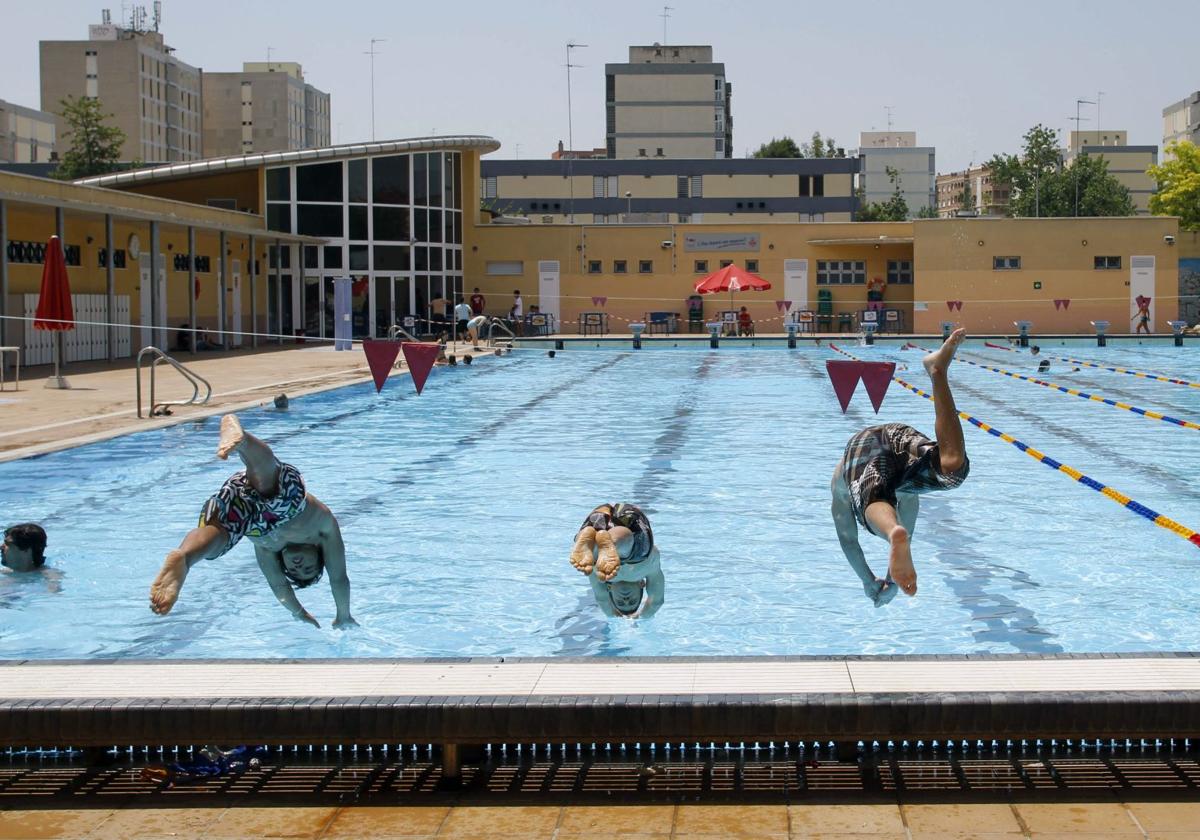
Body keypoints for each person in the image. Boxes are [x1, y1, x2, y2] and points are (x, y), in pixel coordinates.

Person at [149, 415, 355, 628]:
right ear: (318, 553)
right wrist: (343, 615)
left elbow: (278, 585)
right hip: (290, 504)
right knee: (269, 485)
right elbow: (339, 578)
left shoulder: (267, 550)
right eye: (309, 568)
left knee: (220, 536)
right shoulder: (323, 531)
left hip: (250, 518)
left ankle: (185, 558)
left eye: (294, 571)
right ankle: (243, 440)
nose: (298, 567)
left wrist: (299, 613)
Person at [830, 329, 970, 606]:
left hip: (865, 444)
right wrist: (889, 579)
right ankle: (937, 370)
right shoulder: (907, 494)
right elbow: (902, 540)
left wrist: (869, 582)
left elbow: (849, 540)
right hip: (896, 434)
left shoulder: (841, 487)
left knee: (874, 502)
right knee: (952, 471)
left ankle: (937, 368)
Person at [568, 503, 664, 619]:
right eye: (633, 601)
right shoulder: (647, 571)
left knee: (593, 558)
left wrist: (612, 615)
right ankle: (610, 542)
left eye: (620, 602)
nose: (626, 600)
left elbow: (602, 599)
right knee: (632, 552)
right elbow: (656, 601)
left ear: (609, 589)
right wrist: (642, 617)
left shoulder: (601, 575)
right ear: (642, 584)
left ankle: (589, 538)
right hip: (630, 525)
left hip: (599, 517)